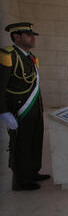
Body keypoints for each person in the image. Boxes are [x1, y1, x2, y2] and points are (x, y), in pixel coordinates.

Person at [0, 22, 50, 191]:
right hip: (20, 109)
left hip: (34, 107)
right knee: (21, 144)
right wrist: (3, 112)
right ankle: (20, 180)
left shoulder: (30, 57)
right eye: (28, 35)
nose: (32, 38)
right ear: (16, 36)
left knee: (35, 140)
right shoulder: (8, 55)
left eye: (32, 35)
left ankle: (32, 172)